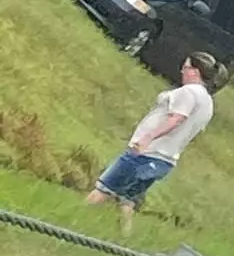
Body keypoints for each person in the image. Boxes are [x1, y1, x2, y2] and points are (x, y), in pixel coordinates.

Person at [86, 54, 225, 234]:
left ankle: (68, 221)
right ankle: (123, 237)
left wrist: (147, 138)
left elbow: (176, 118)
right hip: (166, 159)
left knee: (104, 188)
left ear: (195, 71)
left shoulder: (188, 93)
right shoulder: (207, 102)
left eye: (186, 67)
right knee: (127, 198)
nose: (182, 71)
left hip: (147, 152)